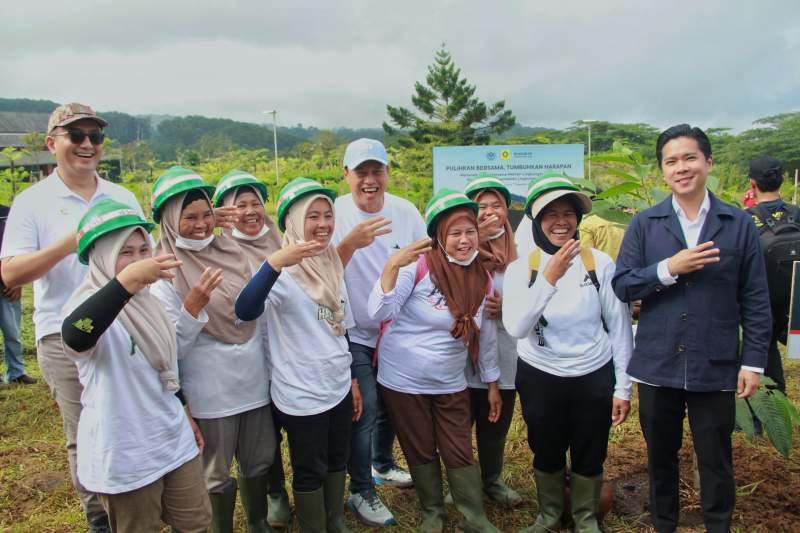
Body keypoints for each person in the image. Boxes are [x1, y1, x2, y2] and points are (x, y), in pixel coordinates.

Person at [612, 124, 771, 533]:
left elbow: (754, 297)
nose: (681, 168)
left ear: (708, 162)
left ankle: (719, 526)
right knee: (660, 456)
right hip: (657, 363)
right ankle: (665, 525)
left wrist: (752, 361)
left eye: (690, 158)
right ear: (662, 170)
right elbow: (623, 283)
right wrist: (669, 269)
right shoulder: (646, 224)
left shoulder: (736, 223)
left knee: (715, 458)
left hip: (714, 362)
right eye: (671, 161)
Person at [0, 103, 144, 532]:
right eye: (75, 136)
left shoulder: (121, 197)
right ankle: (101, 518)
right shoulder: (33, 202)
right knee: (86, 431)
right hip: (64, 336)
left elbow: (144, 257)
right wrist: (73, 240)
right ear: (51, 143)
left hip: (124, 327)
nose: (87, 145)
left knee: (129, 418)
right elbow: (10, 272)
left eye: (94, 137)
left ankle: (138, 503)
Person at [60, 200, 210, 532]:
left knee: (196, 522)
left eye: (144, 249)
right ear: (101, 257)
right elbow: (74, 336)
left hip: (172, 439)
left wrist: (183, 410)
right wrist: (125, 284)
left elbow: (165, 366)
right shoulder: (84, 305)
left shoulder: (151, 302)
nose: (140, 261)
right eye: (125, 252)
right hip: (126, 452)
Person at [148, 166, 276, 533]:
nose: (201, 224)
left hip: (253, 380)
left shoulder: (234, 251)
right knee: (215, 470)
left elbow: (259, 315)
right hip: (211, 390)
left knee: (259, 458)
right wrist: (192, 307)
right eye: (189, 217)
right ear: (171, 221)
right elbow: (172, 349)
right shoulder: (165, 272)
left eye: (207, 215)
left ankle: (258, 523)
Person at [502, 174, 632, 533]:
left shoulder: (599, 264)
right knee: (546, 447)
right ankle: (548, 516)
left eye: (568, 213)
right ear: (536, 221)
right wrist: (549, 277)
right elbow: (516, 327)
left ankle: (586, 519)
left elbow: (619, 327)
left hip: (592, 373)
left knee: (592, 449)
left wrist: (623, 388)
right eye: (551, 214)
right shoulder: (521, 269)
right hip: (541, 374)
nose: (561, 221)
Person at [369, 188, 502, 533]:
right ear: (439, 236)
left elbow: (484, 336)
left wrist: (491, 384)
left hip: (450, 379)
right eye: (455, 233)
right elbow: (379, 312)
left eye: (470, 231)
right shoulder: (419, 267)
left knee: (459, 447)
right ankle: (432, 513)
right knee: (420, 446)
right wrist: (392, 267)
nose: (464, 241)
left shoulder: (481, 277)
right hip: (404, 378)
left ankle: (474, 517)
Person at [236, 177, 361, 533]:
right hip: (301, 393)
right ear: (292, 221)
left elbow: (337, 325)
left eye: (328, 215)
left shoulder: (331, 265)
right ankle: (314, 526)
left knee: (339, 457)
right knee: (310, 467)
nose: (323, 224)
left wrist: (351, 378)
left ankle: (334, 520)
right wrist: (274, 263)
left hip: (335, 384)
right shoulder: (280, 273)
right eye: (313, 216)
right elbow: (244, 310)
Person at [333, 138, 424, 526]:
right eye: (361, 173)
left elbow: (425, 260)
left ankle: (382, 463)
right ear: (346, 175)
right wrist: (350, 245)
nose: (370, 181)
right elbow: (319, 274)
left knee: (389, 402)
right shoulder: (333, 215)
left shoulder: (405, 211)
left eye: (377, 172)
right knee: (364, 407)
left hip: (396, 326)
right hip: (351, 328)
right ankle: (360, 490)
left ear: (387, 173)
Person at [212, 169, 292, 528]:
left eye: (254, 203)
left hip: (286, 345)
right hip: (246, 353)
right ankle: (276, 493)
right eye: (238, 205)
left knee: (288, 419)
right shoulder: (216, 249)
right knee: (265, 431)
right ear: (224, 212)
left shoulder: (280, 238)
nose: (249, 211)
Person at [454, 175, 521, 507]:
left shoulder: (520, 257)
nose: (490, 212)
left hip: (505, 355)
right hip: (462, 357)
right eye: (481, 206)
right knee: (459, 424)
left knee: (496, 423)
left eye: (497, 205)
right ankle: (461, 484)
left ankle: (492, 480)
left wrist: (509, 309)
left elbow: (533, 305)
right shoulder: (455, 253)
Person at [746, 155, 798, 393]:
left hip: (761, 299)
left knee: (765, 349)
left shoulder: (746, 220)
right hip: (794, 299)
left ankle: (770, 405)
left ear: (752, 184)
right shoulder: (797, 213)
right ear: (783, 179)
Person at [0, 203, 32, 384]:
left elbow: (19, 248)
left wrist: (18, 281)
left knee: (12, 332)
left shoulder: (8, 214)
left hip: (7, 285)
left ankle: (16, 373)